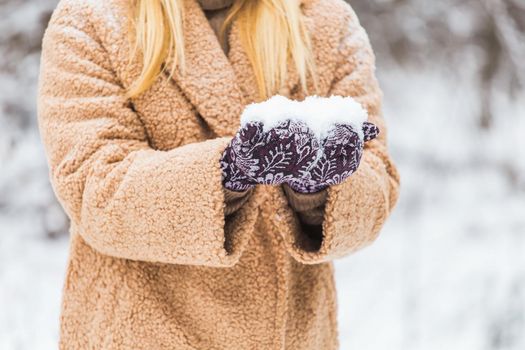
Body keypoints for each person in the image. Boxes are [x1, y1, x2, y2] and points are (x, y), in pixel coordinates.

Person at [37, 0, 400, 348]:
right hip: (140, 333)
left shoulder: (327, 22)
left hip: (294, 335)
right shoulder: (92, 19)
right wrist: (228, 173)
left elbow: (377, 174)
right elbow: (95, 186)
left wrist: (319, 189)